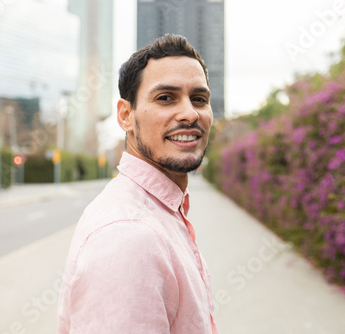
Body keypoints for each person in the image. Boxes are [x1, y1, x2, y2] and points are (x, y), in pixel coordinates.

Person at [57, 34, 218, 334]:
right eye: (165, 98)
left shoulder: (162, 211)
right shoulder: (128, 235)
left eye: (199, 99)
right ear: (126, 115)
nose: (190, 113)